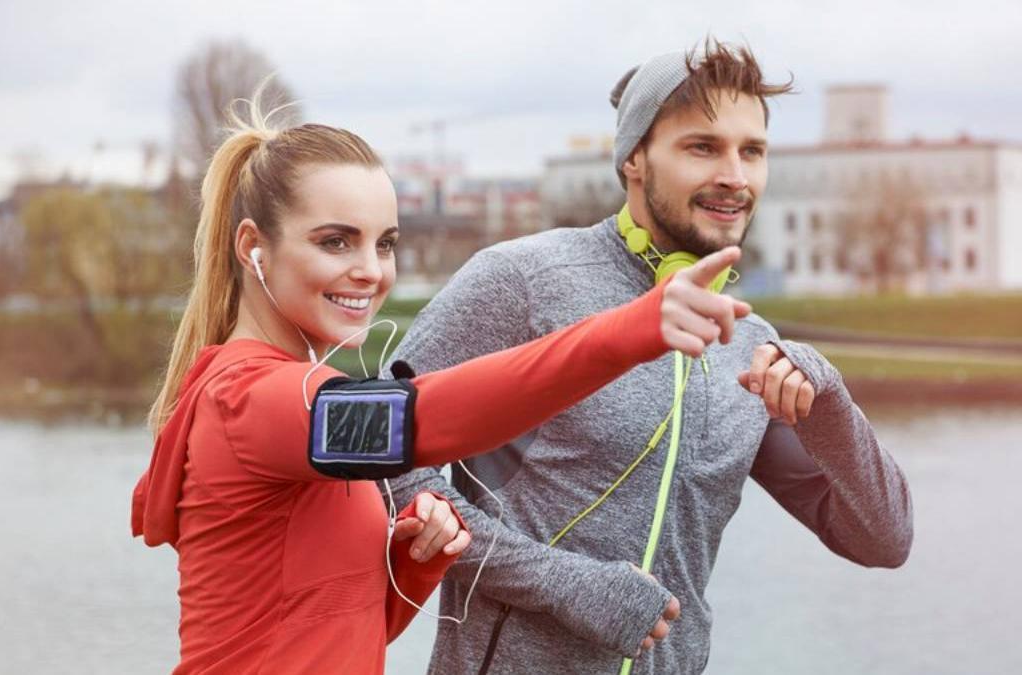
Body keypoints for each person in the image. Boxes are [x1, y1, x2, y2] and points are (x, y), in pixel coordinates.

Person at [130, 89, 753, 675]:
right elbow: (423, 418)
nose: (370, 271)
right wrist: (631, 331)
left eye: (385, 244)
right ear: (253, 247)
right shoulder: (249, 399)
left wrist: (415, 558)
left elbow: (340, 631)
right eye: (336, 242)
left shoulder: (297, 400)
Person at [384, 40, 914, 674]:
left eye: (752, 151)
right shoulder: (522, 280)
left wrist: (829, 402)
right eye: (702, 147)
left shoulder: (750, 344)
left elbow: (883, 539)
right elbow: (372, 459)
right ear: (633, 157)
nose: (736, 176)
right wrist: (561, 584)